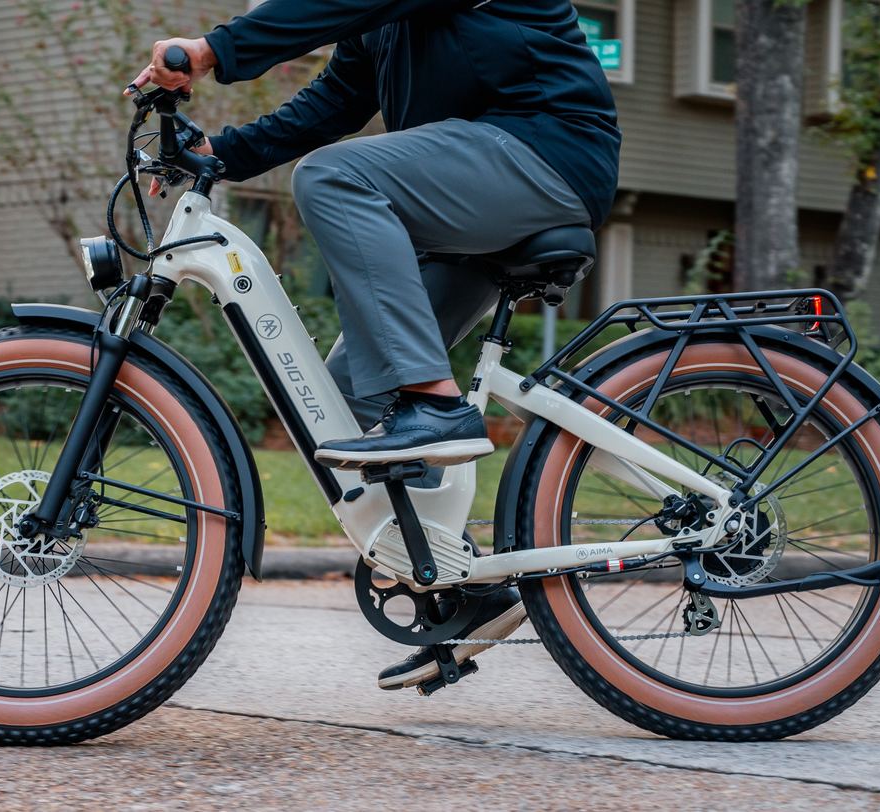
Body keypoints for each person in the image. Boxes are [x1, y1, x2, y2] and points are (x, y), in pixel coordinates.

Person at [129, 0, 620, 692]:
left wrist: (215, 50)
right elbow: (336, 99)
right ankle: (459, 584)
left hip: (545, 154)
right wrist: (222, 154)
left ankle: (433, 403)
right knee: (351, 391)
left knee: (334, 176)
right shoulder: (379, 23)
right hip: (480, 192)